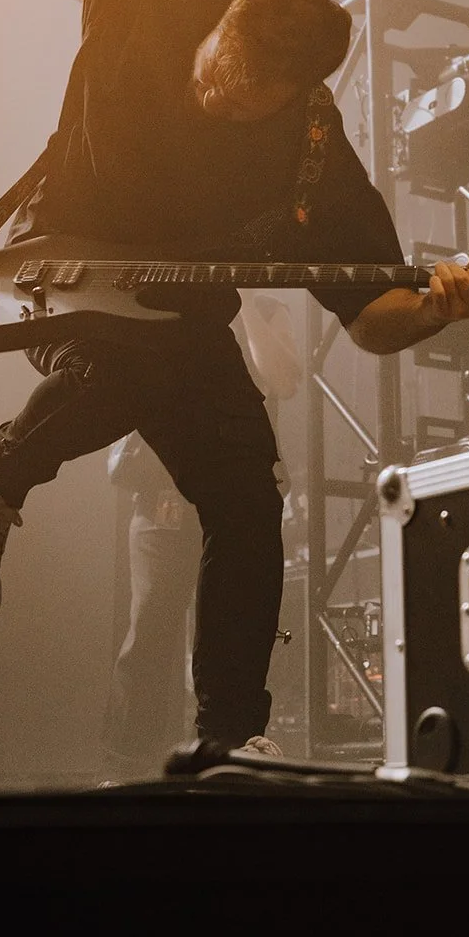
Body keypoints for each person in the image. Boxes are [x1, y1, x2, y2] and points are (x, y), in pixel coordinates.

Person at [0, 0, 469, 760]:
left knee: (244, 501)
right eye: (225, 68)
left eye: (255, 98)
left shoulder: (312, 149)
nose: (225, 95)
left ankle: (229, 739)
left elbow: (371, 316)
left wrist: (437, 307)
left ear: (303, 93)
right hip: (59, 265)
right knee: (124, 362)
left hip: (181, 322)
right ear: (226, 15)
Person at [100, 291, 303, 782]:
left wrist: (249, 301)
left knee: (231, 637)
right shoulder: (172, 295)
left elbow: (283, 378)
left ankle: (220, 759)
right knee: (148, 638)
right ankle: (129, 767)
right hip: (164, 504)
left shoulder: (269, 308)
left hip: (237, 502)